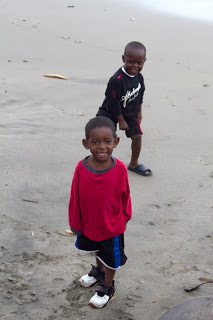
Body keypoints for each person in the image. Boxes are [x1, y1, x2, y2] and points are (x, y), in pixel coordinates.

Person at [68, 116, 132, 309]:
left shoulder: (120, 168)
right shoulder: (81, 167)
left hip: (112, 226)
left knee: (111, 257)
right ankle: (99, 271)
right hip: (90, 223)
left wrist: (125, 217)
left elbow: (125, 195)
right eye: (95, 142)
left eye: (107, 141)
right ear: (86, 144)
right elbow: (75, 196)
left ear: (116, 142)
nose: (102, 147)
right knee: (97, 250)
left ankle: (108, 285)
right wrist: (75, 223)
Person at [97, 41, 152, 176]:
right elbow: (113, 101)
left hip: (130, 111)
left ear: (144, 61)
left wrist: (139, 111)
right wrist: (120, 120)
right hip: (110, 111)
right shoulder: (117, 79)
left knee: (137, 136)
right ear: (123, 59)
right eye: (131, 62)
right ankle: (103, 164)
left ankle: (134, 164)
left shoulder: (139, 77)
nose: (135, 66)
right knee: (105, 137)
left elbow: (140, 94)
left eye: (139, 63)